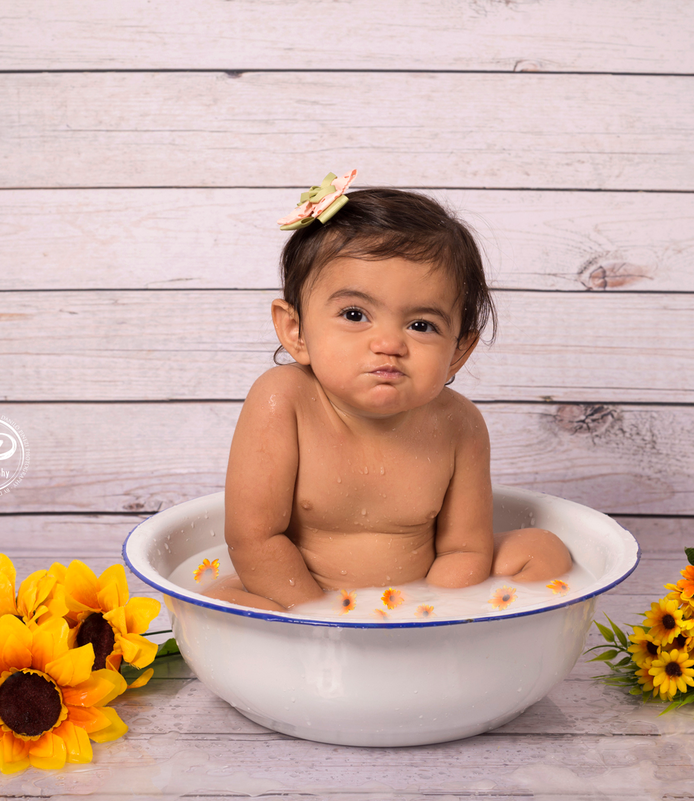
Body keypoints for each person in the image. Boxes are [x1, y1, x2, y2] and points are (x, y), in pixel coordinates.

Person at [204, 171, 570, 612]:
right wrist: (319, 616)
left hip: (418, 597)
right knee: (219, 601)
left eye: (421, 325)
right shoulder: (284, 400)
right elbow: (254, 538)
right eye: (355, 314)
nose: (390, 344)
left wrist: (435, 610)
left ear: (458, 350)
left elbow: (463, 550)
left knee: (544, 549)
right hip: (297, 594)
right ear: (296, 330)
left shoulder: (458, 424)